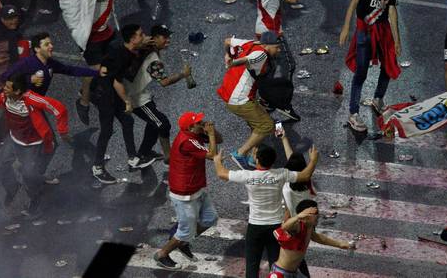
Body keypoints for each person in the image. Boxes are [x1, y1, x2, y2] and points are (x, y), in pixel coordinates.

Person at [214, 144, 320, 278]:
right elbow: (305, 175)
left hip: (255, 226)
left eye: (254, 155)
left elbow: (221, 173)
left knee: (252, 265)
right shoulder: (281, 173)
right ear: (273, 160)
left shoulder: (248, 175)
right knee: (275, 265)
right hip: (276, 226)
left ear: (257, 160)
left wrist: (217, 160)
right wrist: (313, 160)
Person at [0, 73, 70, 218]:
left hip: (31, 144)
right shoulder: (6, 96)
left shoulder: (31, 99)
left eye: (7, 87)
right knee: (1, 164)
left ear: (18, 91)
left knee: (28, 174)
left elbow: (59, 108)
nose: (4, 89)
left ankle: (35, 200)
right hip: (14, 139)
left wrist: (62, 130)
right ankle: (13, 188)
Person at [338, 0, 402, 131]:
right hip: (364, 30)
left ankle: (378, 99)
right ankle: (353, 114)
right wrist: (345, 28)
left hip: (383, 30)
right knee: (361, 72)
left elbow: (392, 12)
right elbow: (353, 4)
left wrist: (397, 40)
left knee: (389, 65)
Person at [153, 113, 221, 270]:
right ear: (191, 127)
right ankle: (162, 255)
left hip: (196, 187)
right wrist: (210, 133)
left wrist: (211, 132)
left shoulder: (194, 133)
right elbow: (212, 154)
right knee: (185, 231)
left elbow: (219, 140)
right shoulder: (187, 141)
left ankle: (183, 242)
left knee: (210, 219)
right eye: (199, 122)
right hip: (184, 194)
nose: (203, 122)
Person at [92, 24, 156, 184]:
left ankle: (133, 158)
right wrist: (127, 101)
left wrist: (143, 46)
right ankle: (97, 167)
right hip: (104, 95)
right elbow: (116, 81)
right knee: (107, 130)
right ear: (133, 39)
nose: (144, 36)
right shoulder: (120, 54)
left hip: (110, 92)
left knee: (128, 121)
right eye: (141, 35)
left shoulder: (126, 50)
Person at [121, 24, 189, 164]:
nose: (168, 40)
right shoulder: (152, 58)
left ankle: (145, 152)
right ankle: (168, 157)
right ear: (155, 37)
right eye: (165, 37)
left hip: (140, 93)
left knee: (153, 124)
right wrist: (183, 74)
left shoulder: (144, 47)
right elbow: (164, 82)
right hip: (135, 98)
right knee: (163, 124)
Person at [218, 32, 282, 170]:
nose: (279, 50)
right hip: (240, 98)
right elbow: (246, 60)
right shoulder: (262, 54)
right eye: (277, 47)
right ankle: (240, 154)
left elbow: (227, 40)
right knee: (267, 125)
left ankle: (254, 156)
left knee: (258, 122)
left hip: (230, 90)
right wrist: (233, 62)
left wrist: (228, 55)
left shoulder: (249, 42)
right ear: (267, 45)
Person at [267, 199, 354, 277]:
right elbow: (284, 227)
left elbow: (320, 238)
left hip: (294, 273)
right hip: (281, 273)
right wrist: (298, 216)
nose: (318, 216)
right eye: (315, 213)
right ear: (306, 215)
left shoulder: (308, 228)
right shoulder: (298, 226)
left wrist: (340, 244)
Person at [2, 32, 99, 97]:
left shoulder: (50, 63)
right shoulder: (26, 63)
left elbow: (70, 70)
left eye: (51, 43)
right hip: (22, 103)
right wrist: (28, 79)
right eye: (46, 44)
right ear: (37, 49)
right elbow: (5, 77)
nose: (51, 46)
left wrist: (96, 73)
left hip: (37, 102)